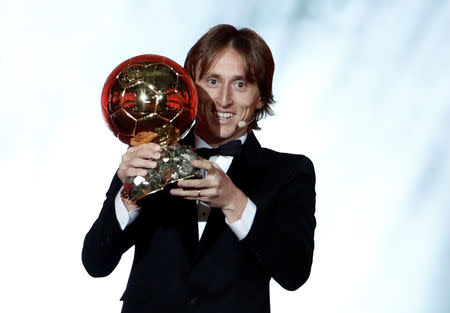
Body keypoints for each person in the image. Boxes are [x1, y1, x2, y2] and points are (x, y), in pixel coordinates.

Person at [82, 24, 316, 313]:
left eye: (240, 84)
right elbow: (96, 262)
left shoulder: (289, 172)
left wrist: (234, 202)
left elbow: (294, 273)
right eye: (213, 81)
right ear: (189, 87)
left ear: (260, 98)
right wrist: (129, 195)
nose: (224, 99)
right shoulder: (148, 155)